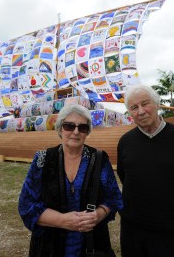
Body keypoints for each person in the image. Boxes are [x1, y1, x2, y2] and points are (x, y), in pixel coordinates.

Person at [19, 104, 123, 257]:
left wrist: (98, 215)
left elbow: (113, 198)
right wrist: (62, 220)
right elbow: (26, 205)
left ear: (87, 132)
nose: (76, 132)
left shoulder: (99, 159)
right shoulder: (43, 159)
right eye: (69, 126)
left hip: (92, 244)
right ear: (60, 128)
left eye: (82, 127)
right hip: (50, 246)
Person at [117, 84, 174, 257]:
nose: (141, 111)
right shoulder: (125, 142)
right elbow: (125, 176)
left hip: (173, 227)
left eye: (145, 103)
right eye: (134, 107)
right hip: (134, 227)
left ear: (156, 104)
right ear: (130, 112)